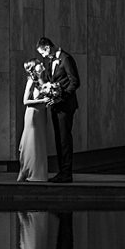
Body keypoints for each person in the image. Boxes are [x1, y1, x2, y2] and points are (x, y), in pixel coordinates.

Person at [36, 37, 80, 183]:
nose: (43, 56)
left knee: (65, 139)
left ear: (47, 48)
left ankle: (67, 173)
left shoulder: (66, 59)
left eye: (42, 53)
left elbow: (75, 82)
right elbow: (51, 82)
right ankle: (62, 172)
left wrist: (60, 96)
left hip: (66, 105)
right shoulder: (50, 61)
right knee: (58, 140)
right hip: (55, 105)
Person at [17, 59, 49, 182]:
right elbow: (25, 101)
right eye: (39, 64)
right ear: (34, 68)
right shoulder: (31, 81)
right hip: (33, 115)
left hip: (41, 114)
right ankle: (32, 172)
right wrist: (42, 101)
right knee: (33, 142)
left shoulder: (42, 81)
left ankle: (39, 173)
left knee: (39, 142)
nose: (42, 64)